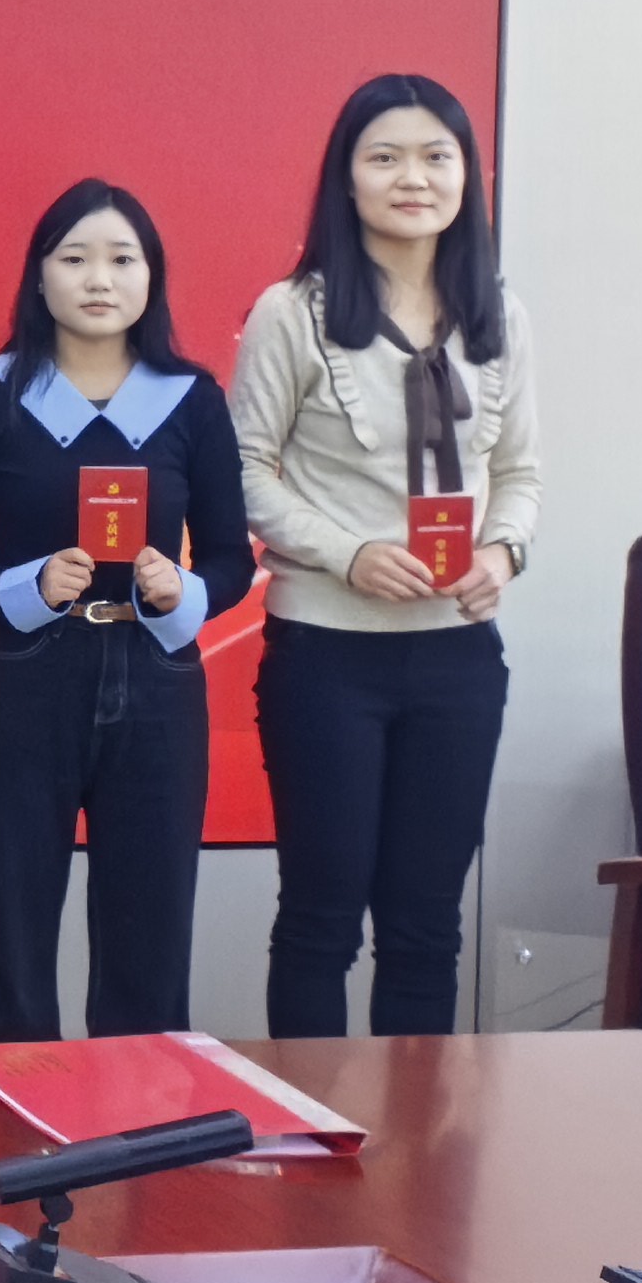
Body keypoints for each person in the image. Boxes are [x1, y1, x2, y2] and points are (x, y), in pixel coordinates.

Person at [0, 181, 254, 1042]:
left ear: (151, 277)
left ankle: (141, 1116)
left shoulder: (192, 399)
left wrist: (184, 593)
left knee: (150, 938)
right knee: (8, 930)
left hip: (159, 680)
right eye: (75, 258)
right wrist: (21, 588)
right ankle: (9, 1113)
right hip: (28, 677)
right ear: (39, 276)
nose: (99, 279)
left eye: (122, 259)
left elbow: (231, 559)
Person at [237, 73, 540, 1038]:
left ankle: (416, 1131)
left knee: (426, 931)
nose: (414, 178)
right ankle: (309, 1126)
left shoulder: (498, 314)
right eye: (386, 158)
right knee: (320, 924)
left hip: (458, 659)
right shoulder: (292, 312)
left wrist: (503, 553)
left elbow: (521, 471)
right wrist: (347, 553)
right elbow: (243, 471)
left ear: (467, 177)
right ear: (348, 176)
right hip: (327, 656)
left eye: (436, 157)